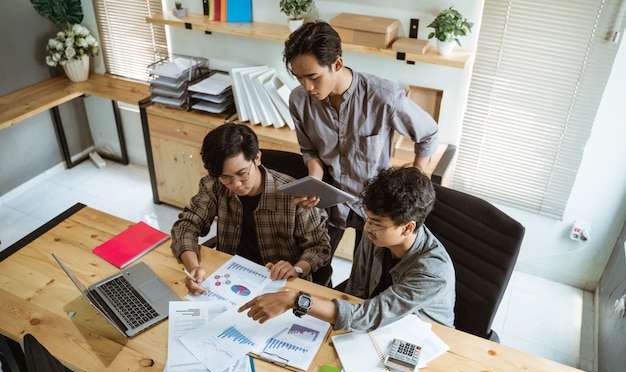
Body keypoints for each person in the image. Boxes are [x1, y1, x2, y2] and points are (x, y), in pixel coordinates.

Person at [283, 21, 440, 257]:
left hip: (375, 207)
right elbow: (310, 151)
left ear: (337, 63)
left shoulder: (383, 96)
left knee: (366, 279)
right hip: (330, 201)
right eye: (298, 78)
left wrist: (412, 182)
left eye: (313, 77)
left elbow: (428, 134)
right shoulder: (299, 101)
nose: (307, 87)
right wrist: (313, 183)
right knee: (313, 268)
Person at [239, 167, 455, 332]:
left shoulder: (433, 272)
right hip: (373, 328)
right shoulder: (376, 237)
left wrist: (295, 299)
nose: (367, 228)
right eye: (368, 219)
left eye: (376, 223)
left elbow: (370, 315)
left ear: (408, 227)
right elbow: (356, 292)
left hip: (421, 340)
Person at [170, 123, 331, 294]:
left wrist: (297, 268)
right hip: (230, 278)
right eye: (226, 177)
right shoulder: (214, 185)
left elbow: (319, 247)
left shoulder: (296, 195)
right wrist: (194, 267)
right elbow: (186, 227)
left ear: (257, 158)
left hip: (280, 285)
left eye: (242, 173)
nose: (236, 184)